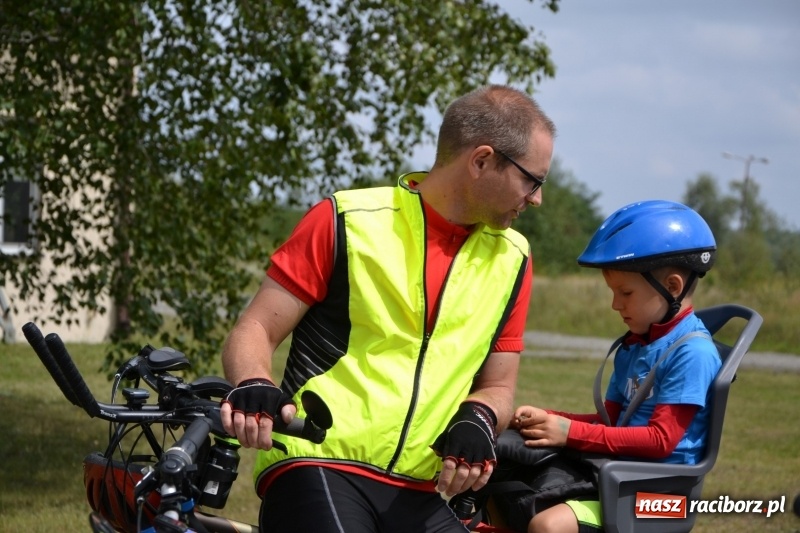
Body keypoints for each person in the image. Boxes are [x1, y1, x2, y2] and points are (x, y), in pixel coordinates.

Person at [218, 84, 556, 533]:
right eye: (532, 180)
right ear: (481, 160)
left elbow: (498, 385)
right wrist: (254, 381)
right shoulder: (345, 220)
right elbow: (255, 328)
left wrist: (479, 419)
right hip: (318, 462)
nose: (536, 198)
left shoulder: (514, 259)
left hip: (421, 489)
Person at [509, 200, 721, 533]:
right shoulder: (637, 343)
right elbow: (610, 421)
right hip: (619, 473)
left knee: (548, 526)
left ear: (673, 287)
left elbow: (660, 440)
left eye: (625, 292)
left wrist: (569, 433)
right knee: (505, 480)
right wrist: (552, 419)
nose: (614, 304)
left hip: (659, 495)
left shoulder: (691, 352)